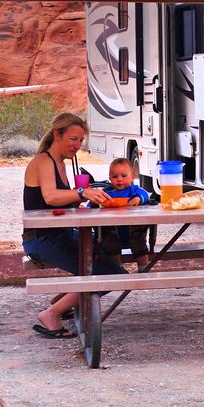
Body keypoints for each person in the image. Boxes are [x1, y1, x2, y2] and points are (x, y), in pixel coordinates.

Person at [22, 113, 124, 339]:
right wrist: (81, 192)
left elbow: (61, 201)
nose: (77, 145)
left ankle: (64, 301)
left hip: (60, 234)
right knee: (110, 273)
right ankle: (51, 314)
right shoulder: (44, 161)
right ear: (57, 135)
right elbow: (50, 197)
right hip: (41, 239)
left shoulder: (60, 162)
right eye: (73, 139)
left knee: (110, 259)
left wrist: (86, 199)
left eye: (80, 140)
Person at [97, 157, 154, 269]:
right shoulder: (107, 192)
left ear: (132, 177)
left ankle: (143, 268)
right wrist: (93, 203)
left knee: (140, 246)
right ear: (110, 179)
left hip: (134, 229)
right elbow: (94, 201)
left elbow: (146, 194)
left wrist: (138, 198)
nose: (119, 179)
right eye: (115, 177)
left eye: (123, 176)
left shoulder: (134, 190)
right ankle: (117, 269)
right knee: (110, 246)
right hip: (112, 229)